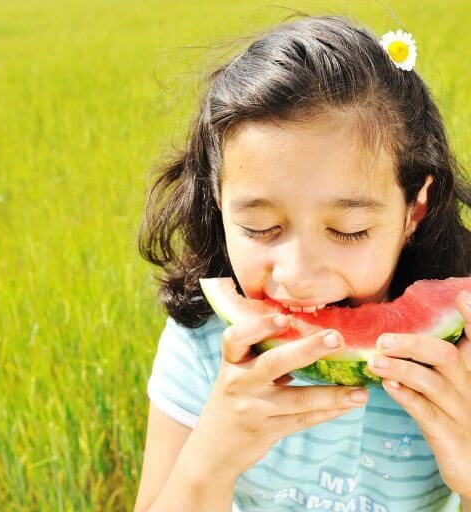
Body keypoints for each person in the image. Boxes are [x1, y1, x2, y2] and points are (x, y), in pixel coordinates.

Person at [135, 12, 471, 512]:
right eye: (259, 229)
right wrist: (208, 463)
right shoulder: (204, 349)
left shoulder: (458, 358)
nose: (298, 276)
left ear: (414, 209)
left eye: (348, 230)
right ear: (219, 205)